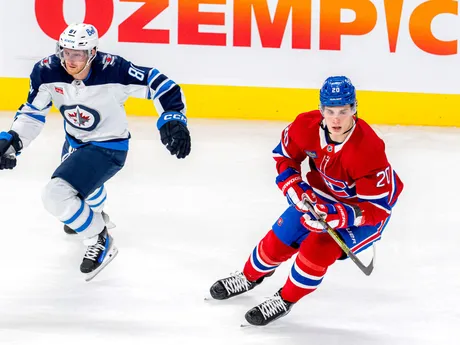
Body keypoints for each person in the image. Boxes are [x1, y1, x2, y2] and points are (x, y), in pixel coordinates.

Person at [0, 23, 191, 281]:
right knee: (78, 191)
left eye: (78, 54)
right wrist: (13, 140)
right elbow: (33, 113)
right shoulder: (46, 71)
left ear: (92, 53)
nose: (70, 60)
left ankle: (98, 237)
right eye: (66, 52)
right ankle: (94, 213)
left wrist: (172, 118)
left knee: (55, 194)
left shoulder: (115, 69)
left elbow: (162, 85)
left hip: (108, 147)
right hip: (74, 144)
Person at [209, 76, 403, 326]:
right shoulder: (305, 126)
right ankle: (248, 277)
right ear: (321, 109)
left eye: (343, 111)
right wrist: (293, 185)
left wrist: (337, 216)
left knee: (317, 250)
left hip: (361, 213)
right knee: (280, 237)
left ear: (354, 109)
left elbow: (376, 210)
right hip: (320, 196)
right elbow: (284, 157)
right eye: (330, 111)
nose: (336, 119)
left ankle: (285, 299)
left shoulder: (368, 149)